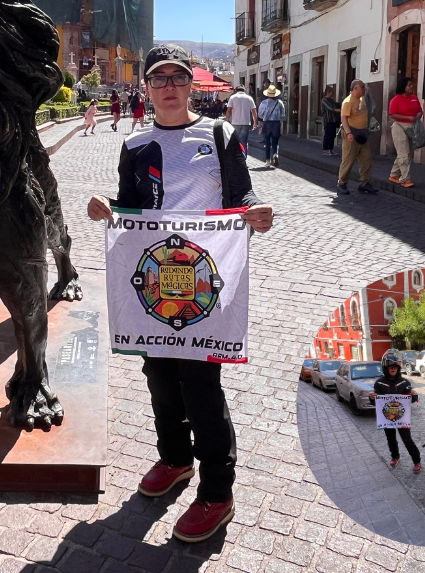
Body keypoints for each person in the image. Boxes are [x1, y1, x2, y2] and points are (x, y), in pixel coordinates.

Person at [87, 44, 273, 543]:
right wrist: (108, 207)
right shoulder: (136, 146)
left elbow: (243, 195)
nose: (168, 86)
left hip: (205, 283)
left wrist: (256, 212)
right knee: (160, 378)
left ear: (190, 85)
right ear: (146, 88)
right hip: (154, 284)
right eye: (158, 79)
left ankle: (217, 489)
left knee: (201, 385)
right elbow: (130, 206)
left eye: (177, 77)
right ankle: (175, 458)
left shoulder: (219, 134)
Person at [369, 351, 422, 473]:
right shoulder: (379, 383)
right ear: (385, 368)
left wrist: (414, 395)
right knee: (391, 439)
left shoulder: (405, 383)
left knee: (407, 440)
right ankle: (395, 456)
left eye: (395, 366)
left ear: (398, 368)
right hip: (387, 417)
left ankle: (417, 461)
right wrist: (371, 398)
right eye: (390, 366)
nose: (393, 369)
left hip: (402, 417)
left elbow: (411, 400)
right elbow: (376, 403)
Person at [337, 79, 378, 196]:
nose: (364, 89)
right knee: (348, 160)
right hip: (352, 134)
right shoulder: (348, 102)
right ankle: (342, 183)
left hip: (362, 134)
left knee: (366, 160)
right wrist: (349, 133)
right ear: (355, 88)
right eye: (362, 87)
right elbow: (343, 118)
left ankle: (365, 183)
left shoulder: (362, 100)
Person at [388, 78, 423, 188]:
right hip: (399, 126)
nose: (411, 87)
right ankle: (405, 179)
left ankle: (394, 174)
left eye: (411, 85)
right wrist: (407, 117)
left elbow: (420, 111)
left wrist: (418, 116)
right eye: (409, 85)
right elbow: (392, 114)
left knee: (406, 153)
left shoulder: (414, 98)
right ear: (403, 87)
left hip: (412, 128)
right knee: (404, 153)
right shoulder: (396, 100)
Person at [224, 85, 257, 159]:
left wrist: (227, 120)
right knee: (244, 142)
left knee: (235, 141)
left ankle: (235, 158)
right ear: (244, 90)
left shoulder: (233, 97)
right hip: (245, 123)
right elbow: (254, 111)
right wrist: (255, 122)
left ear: (236, 90)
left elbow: (229, 110)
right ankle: (243, 157)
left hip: (235, 123)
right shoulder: (249, 98)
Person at [257, 85, 285, 168]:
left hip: (267, 123)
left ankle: (268, 161)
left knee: (267, 142)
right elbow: (283, 115)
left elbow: (260, 115)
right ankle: (275, 154)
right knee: (275, 142)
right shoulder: (280, 103)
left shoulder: (264, 103)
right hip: (276, 123)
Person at [320, 86, 341, 156]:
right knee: (328, 135)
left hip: (333, 120)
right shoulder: (324, 100)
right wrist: (341, 111)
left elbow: (336, 104)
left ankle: (331, 149)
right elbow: (331, 108)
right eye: (332, 92)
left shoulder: (331, 100)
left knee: (333, 135)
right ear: (328, 92)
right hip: (328, 120)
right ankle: (325, 150)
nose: (333, 93)